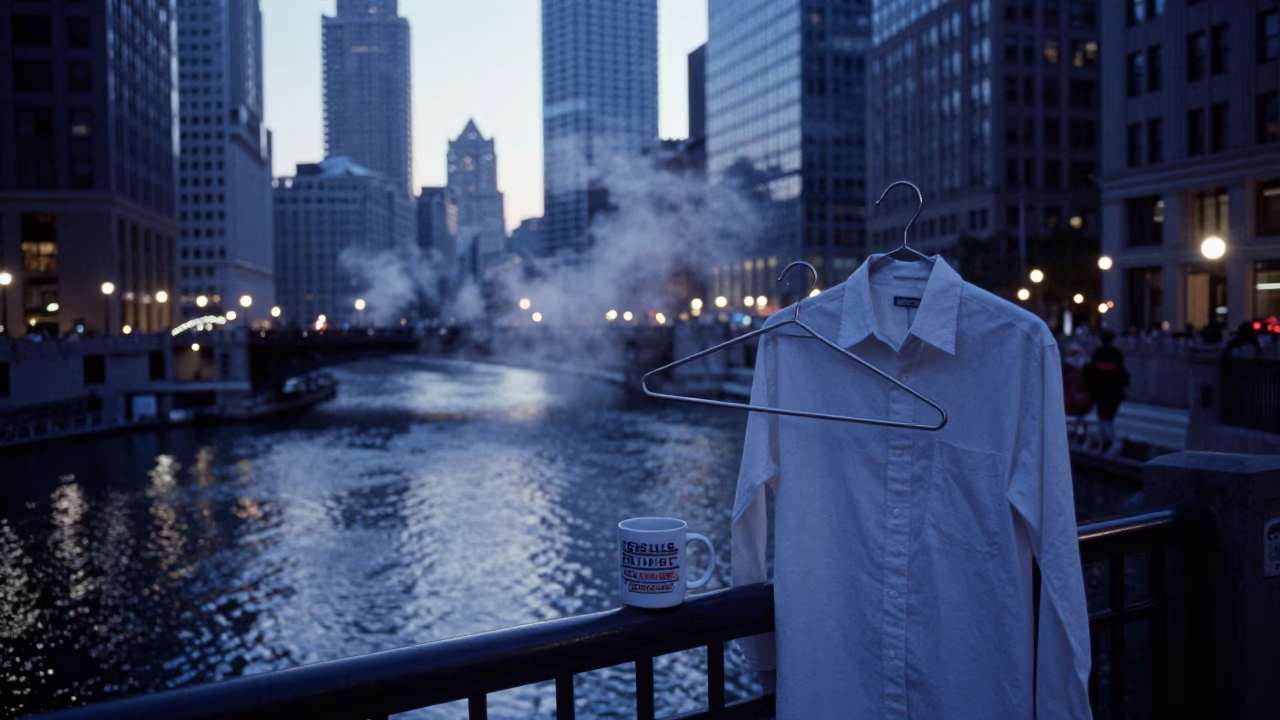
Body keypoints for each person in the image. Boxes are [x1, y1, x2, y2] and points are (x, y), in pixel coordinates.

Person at [1084, 331, 1130, 456]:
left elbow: (1091, 373)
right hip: (1114, 390)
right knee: (1109, 416)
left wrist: (1090, 388)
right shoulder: (1116, 354)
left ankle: (1107, 441)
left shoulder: (1097, 353)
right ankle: (1109, 441)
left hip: (1100, 390)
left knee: (1102, 415)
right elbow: (1122, 372)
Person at [1062, 343, 1093, 443]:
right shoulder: (1078, 365)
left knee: (1080, 414)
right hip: (1075, 393)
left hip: (1079, 393)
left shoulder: (1079, 365)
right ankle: (1078, 432)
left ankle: (1079, 433)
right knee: (1079, 414)